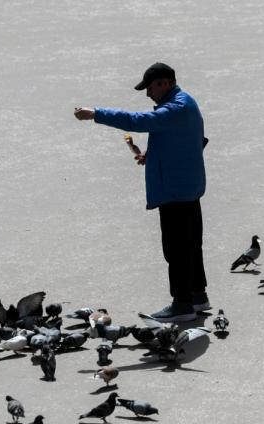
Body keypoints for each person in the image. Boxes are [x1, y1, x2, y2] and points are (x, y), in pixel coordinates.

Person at [74, 62, 208, 322]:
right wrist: (155, 154)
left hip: (174, 190)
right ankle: (198, 296)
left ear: (166, 82)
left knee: (176, 249)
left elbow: (138, 121)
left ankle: (183, 305)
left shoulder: (176, 107)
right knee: (192, 244)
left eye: (150, 87)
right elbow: (192, 139)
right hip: (188, 186)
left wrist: (96, 114)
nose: (148, 94)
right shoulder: (186, 103)